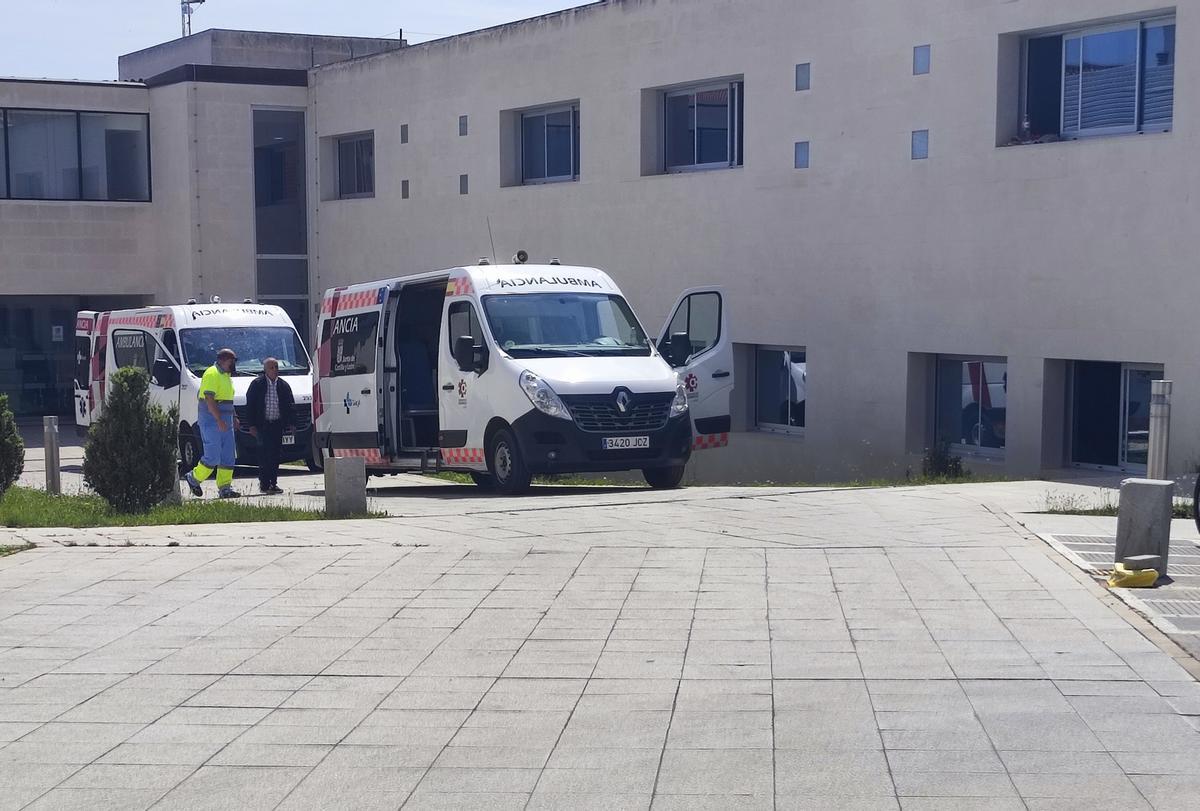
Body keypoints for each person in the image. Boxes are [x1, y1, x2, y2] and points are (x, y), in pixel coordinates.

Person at [183, 348, 241, 499]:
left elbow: (228, 400)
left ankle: (225, 488)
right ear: (223, 360)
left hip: (225, 422)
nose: (233, 364)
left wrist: (234, 417)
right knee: (213, 456)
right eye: (232, 361)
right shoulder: (212, 373)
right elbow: (209, 400)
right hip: (212, 421)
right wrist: (219, 420)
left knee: (228, 457)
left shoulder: (226, 376)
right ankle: (193, 478)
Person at [245, 357, 295, 495]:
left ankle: (273, 483)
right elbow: (250, 406)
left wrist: (291, 423)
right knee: (263, 455)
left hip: (277, 425)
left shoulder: (283, 385)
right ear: (265, 370)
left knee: (275, 455)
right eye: (271, 368)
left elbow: (290, 405)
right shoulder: (257, 384)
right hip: (262, 425)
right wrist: (252, 425)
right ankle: (264, 483)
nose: (275, 370)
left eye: (276, 367)